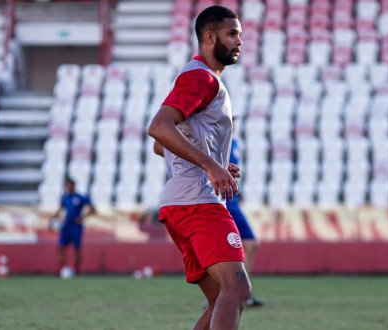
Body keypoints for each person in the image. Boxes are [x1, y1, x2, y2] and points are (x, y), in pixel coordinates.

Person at [147, 5, 251, 329]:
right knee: (237, 289)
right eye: (231, 34)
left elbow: (161, 146)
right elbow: (159, 128)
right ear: (209, 37)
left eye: (240, 35)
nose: (239, 41)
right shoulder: (202, 78)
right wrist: (211, 166)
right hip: (198, 202)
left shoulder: (200, 77)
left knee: (222, 296)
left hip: (181, 203)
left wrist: (216, 162)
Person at [227, 120, 263, 307]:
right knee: (227, 252)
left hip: (232, 201)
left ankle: (241, 294)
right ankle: (223, 296)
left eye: (234, 120)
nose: (233, 123)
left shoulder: (233, 141)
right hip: (223, 202)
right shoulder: (218, 139)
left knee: (249, 245)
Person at [49, 178, 96, 276]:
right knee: (61, 247)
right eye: (66, 186)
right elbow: (60, 210)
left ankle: (77, 270)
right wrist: (53, 218)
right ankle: (62, 269)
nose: (68, 188)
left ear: (73, 186)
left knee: (77, 249)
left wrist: (82, 217)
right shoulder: (65, 198)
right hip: (66, 227)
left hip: (76, 227)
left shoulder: (81, 198)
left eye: (69, 185)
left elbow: (93, 210)